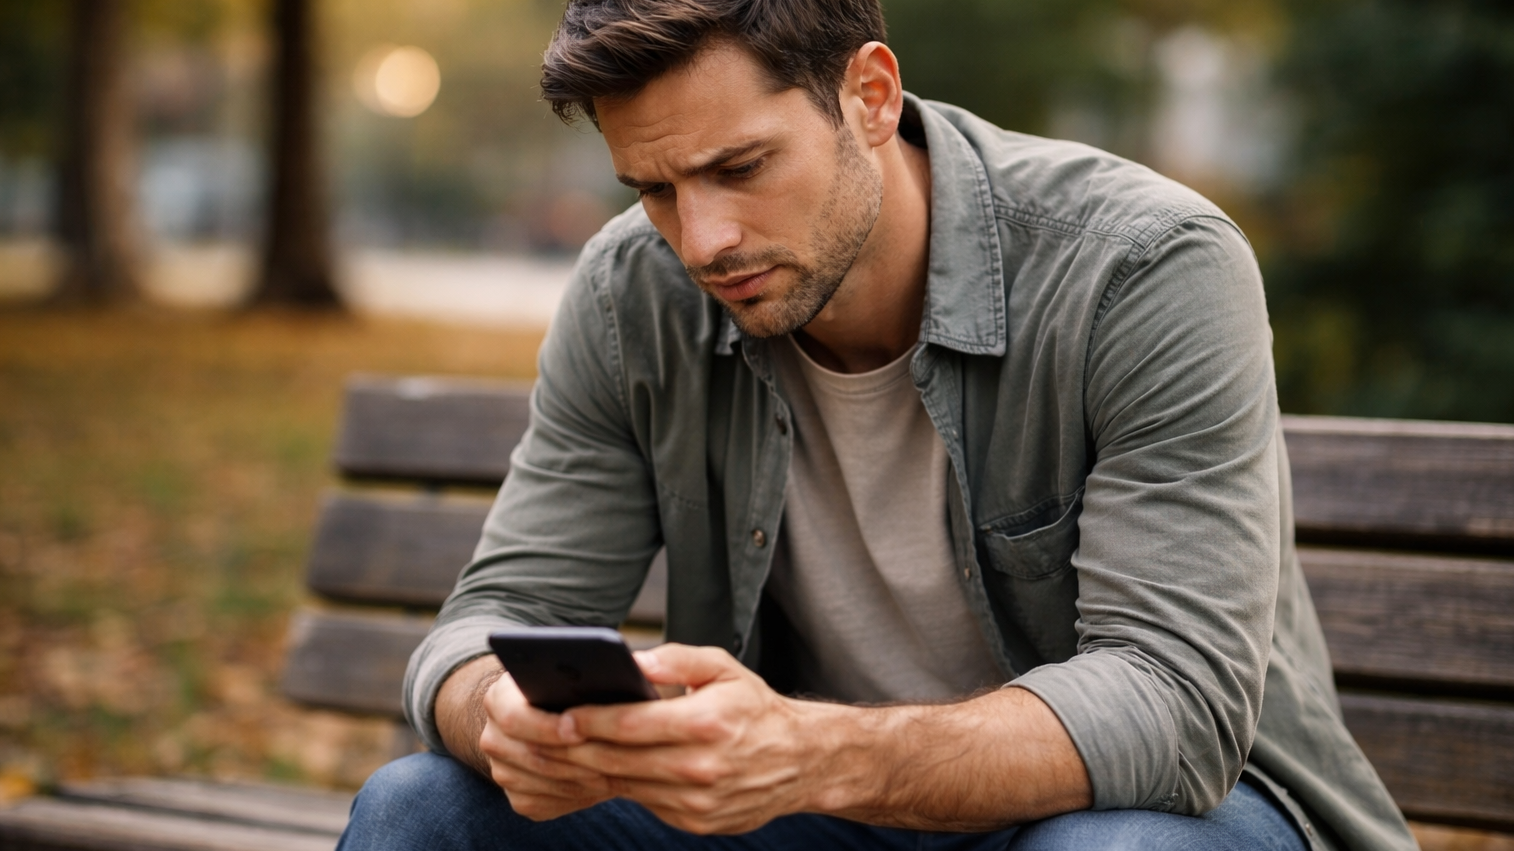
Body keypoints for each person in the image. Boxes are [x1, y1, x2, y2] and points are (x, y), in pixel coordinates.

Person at [337, 1, 1418, 849]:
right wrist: (500, 716)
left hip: (1158, 810)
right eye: (654, 189)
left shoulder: (1143, 268)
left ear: (868, 92)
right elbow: (489, 620)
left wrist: (809, 753)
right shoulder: (633, 293)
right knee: (421, 808)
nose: (702, 240)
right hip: (815, 817)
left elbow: (1170, 706)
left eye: (740, 167)